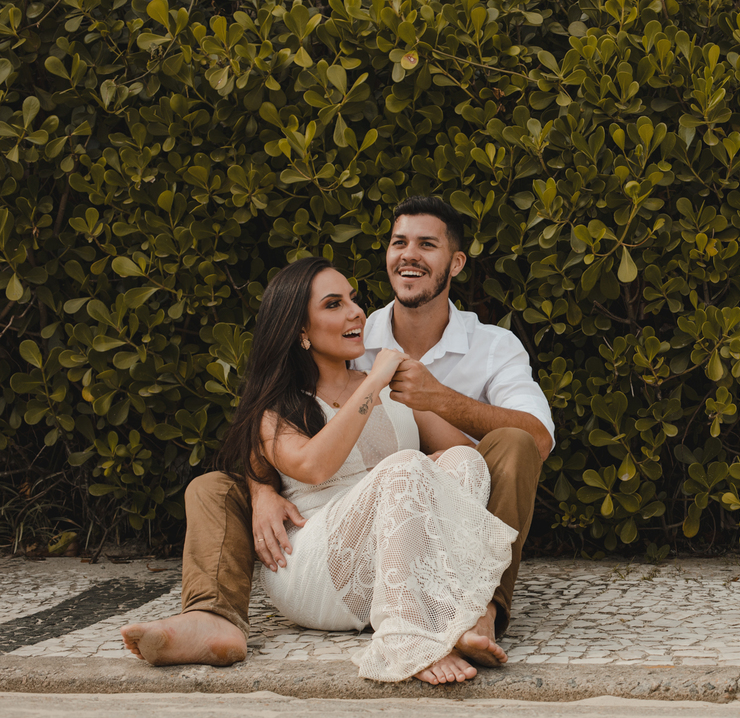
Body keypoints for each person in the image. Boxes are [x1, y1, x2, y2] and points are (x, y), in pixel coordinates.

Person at [121, 197, 554, 683]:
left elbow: (495, 456)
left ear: (455, 263)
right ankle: (216, 618)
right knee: (210, 486)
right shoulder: (355, 354)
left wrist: (434, 406)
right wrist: (262, 488)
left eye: (426, 244)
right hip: (316, 551)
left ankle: (472, 608)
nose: (353, 312)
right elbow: (301, 457)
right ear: (302, 331)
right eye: (398, 242)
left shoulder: (483, 348)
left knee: (464, 462)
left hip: (388, 537)